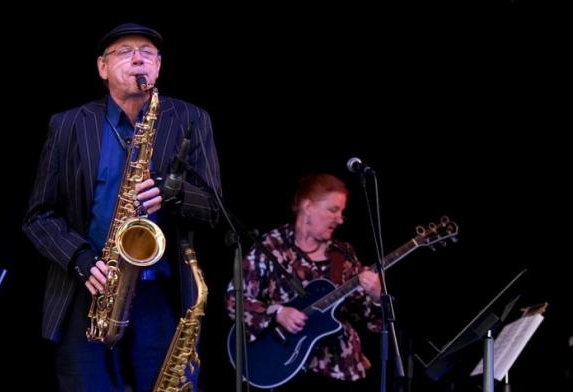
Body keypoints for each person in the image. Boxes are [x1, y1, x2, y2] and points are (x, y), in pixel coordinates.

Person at [23, 22, 221, 392]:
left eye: (146, 53)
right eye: (125, 52)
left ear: (158, 67)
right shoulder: (67, 125)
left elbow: (212, 207)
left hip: (159, 294)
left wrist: (172, 192)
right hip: (88, 288)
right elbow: (39, 217)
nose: (137, 60)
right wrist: (80, 259)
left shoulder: (191, 120)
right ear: (102, 67)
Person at [225, 173, 382, 391]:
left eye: (342, 212)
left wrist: (376, 296)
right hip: (283, 368)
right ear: (307, 207)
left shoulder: (343, 254)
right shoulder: (272, 246)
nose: (340, 219)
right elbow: (234, 299)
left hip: (338, 369)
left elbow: (373, 322)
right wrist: (277, 312)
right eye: (333, 210)